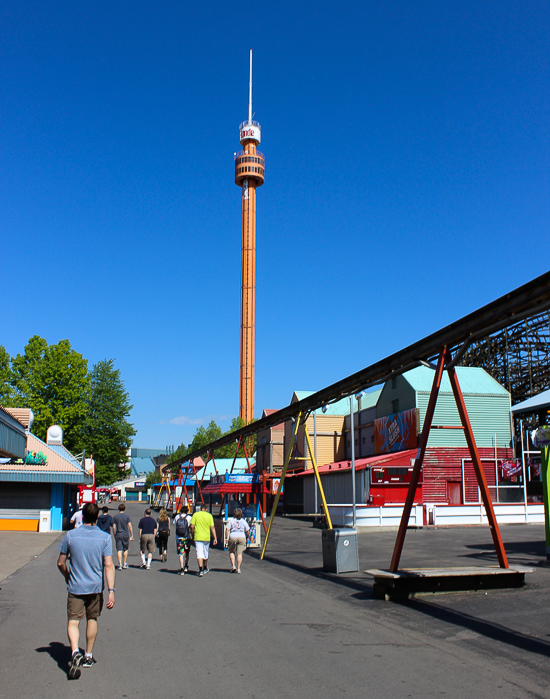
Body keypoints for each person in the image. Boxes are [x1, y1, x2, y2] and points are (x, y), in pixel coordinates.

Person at [57, 502, 115, 680]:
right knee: (92, 618)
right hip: (95, 587)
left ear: (82, 516)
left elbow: (60, 562)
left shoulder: (71, 536)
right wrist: (111, 590)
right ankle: (88, 655)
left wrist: (68, 575)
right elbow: (108, 564)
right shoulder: (104, 538)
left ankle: (75, 651)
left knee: (73, 620)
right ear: (97, 517)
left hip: (75, 586)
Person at [190, 502, 217, 577]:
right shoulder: (209, 516)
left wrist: (192, 535)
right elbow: (212, 527)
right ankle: (205, 567)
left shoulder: (196, 515)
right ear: (206, 509)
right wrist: (215, 537)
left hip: (198, 536)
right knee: (205, 552)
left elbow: (192, 526)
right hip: (206, 537)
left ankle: (200, 569)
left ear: (200, 509)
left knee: (199, 553)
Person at [224, 507, 250, 574]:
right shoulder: (243, 521)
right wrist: (247, 537)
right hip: (241, 536)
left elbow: (227, 529)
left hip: (233, 535)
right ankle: (238, 568)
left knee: (231, 551)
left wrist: (226, 537)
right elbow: (247, 530)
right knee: (239, 553)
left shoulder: (232, 521)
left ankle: (233, 566)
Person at [112, 503, 134, 571]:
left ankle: (120, 565)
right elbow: (129, 525)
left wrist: (114, 533)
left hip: (118, 533)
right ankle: (124, 563)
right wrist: (132, 534)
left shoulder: (115, 516)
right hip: (125, 534)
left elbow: (113, 526)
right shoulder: (127, 516)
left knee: (119, 549)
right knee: (125, 549)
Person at [174, 505, 192, 575]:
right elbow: (191, 526)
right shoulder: (189, 517)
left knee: (181, 553)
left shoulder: (177, 517)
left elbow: (175, 524)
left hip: (179, 538)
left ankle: (181, 569)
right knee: (187, 553)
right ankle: (186, 566)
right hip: (187, 537)